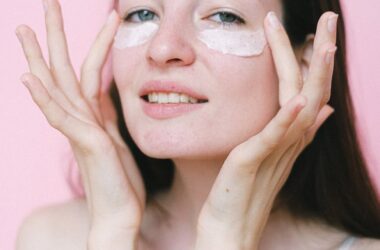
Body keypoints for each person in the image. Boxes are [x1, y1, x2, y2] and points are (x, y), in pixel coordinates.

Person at [14, 0, 380, 249]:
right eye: (142, 13)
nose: (162, 48)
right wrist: (114, 234)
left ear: (308, 65)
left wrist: (224, 240)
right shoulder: (52, 238)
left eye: (223, 15)